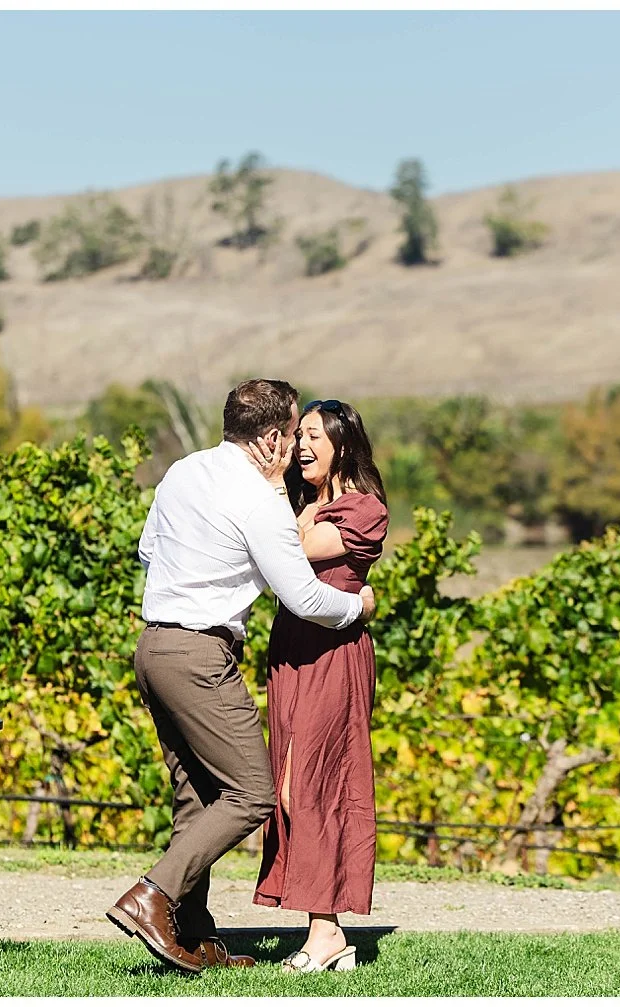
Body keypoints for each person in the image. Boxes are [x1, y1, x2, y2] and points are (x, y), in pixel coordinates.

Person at [106, 378, 377, 975]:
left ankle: (193, 935)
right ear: (276, 437)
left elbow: (149, 549)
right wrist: (359, 607)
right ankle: (152, 895)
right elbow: (305, 598)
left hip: (153, 646)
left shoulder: (183, 470)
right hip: (201, 655)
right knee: (251, 793)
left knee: (198, 796)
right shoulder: (260, 502)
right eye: (294, 434)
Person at [246, 398, 388, 974]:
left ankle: (326, 935)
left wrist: (276, 484)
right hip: (291, 654)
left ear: (342, 443)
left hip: (334, 655)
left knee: (312, 784)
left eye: (310, 436)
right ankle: (324, 931)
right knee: (286, 783)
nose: (299, 445)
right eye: (295, 435)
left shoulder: (364, 508)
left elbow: (296, 554)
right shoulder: (304, 502)